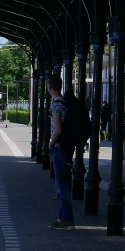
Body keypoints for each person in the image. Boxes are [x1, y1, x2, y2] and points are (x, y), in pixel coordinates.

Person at [48, 74, 75, 230]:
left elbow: (57, 130)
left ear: (50, 88)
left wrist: (51, 144)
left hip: (59, 148)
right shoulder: (65, 103)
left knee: (62, 185)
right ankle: (61, 217)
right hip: (66, 147)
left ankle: (68, 220)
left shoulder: (56, 105)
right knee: (63, 183)